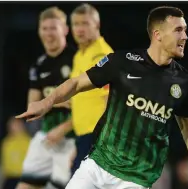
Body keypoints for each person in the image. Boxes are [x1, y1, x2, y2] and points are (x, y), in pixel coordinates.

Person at [16, 6, 188, 189]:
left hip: (136, 179)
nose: (185, 36)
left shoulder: (184, 81)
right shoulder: (122, 63)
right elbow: (78, 83)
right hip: (97, 165)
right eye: (179, 30)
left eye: (185, 30)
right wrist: (46, 102)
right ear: (157, 34)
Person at [16, 6, 76, 189]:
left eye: (53, 28)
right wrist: (64, 102)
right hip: (46, 136)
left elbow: (89, 107)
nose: (48, 33)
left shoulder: (78, 60)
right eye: (44, 28)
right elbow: (32, 107)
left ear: (65, 30)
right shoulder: (38, 66)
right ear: (39, 31)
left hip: (73, 139)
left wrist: (49, 103)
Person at [68, 3, 113, 175]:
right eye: (76, 24)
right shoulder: (79, 56)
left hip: (98, 138)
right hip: (83, 136)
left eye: (85, 24)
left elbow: (110, 99)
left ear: (97, 25)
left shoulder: (102, 55)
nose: (80, 29)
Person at [0, 117, 30, 189]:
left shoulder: (28, 141)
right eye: (11, 125)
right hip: (9, 178)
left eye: (16, 124)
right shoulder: (6, 142)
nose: (13, 127)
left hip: (23, 178)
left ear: (21, 125)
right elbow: (4, 162)